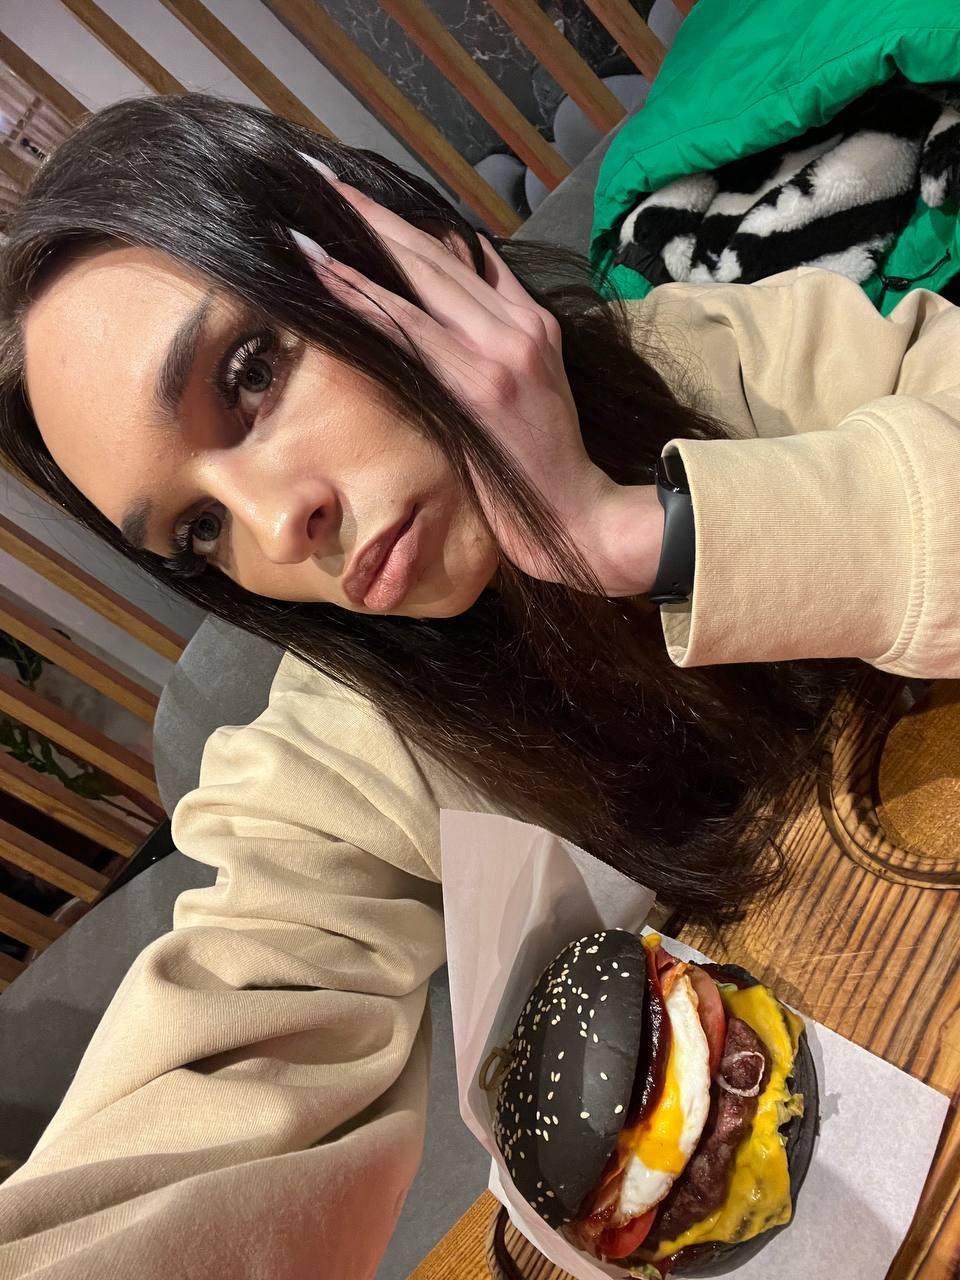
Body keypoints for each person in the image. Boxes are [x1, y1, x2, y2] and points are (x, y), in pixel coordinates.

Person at [0, 93, 957, 1278]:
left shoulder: (715, 358)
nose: (274, 527)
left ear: (394, 248)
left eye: (249, 372)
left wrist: (634, 532)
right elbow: (217, 1069)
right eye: (199, 530)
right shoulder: (337, 756)